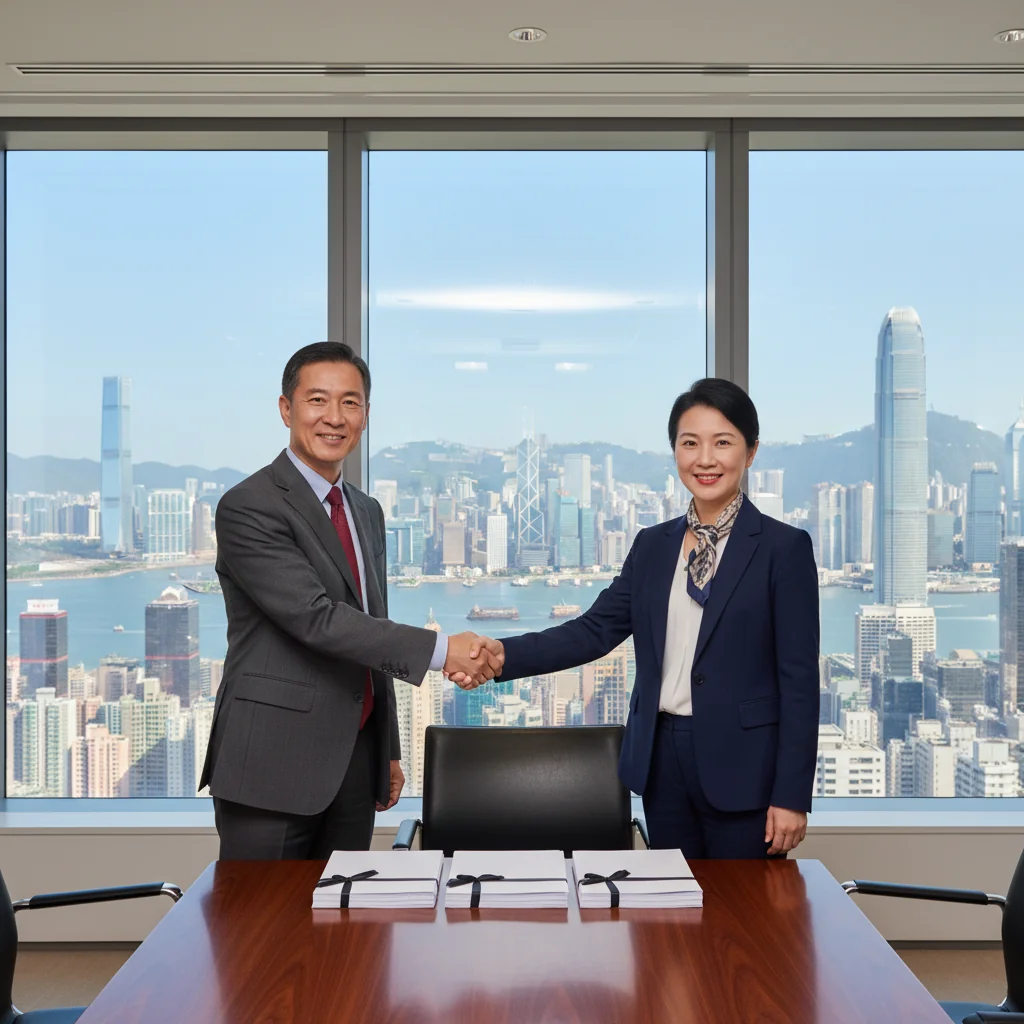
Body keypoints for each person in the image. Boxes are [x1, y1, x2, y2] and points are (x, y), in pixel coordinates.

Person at [460, 379, 819, 859]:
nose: (705, 459)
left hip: (744, 766)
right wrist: (503, 655)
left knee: (741, 916)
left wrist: (791, 796)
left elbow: (798, 681)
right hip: (661, 760)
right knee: (672, 914)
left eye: (723, 442)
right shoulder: (654, 546)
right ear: (675, 452)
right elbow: (594, 630)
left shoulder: (783, 549)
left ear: (751, 452)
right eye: (690, 443)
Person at [200, 341, 502, 859]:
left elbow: (370, 628)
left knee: (344, 926)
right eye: (317, 400)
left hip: (353, 761)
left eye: (351, 402)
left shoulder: (366, 510)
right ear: (286, 408)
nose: (334, 418)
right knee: (259, 931)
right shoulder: (249, 506)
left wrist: (385, 748)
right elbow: (318, 620)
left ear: (365, 414)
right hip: (270, 764)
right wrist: (443, 649)